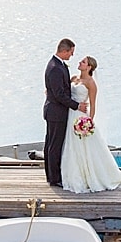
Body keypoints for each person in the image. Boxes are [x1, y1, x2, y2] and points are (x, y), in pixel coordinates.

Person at [60, 55, 121, 193]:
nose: (80, 62)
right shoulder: (73, 78)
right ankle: (72, 175)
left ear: (89, 67)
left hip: (80, 117)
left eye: (83, 62)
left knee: (83, 147)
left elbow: (93, 105)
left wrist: (88, 122)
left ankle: (93, 176)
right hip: (70, 114)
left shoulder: (91, 83)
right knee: (71, 146)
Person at [43, 38, 85, 186]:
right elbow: (60, 95)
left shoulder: (58, 65)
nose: (71, 56)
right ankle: (54, 179)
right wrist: (77, 106)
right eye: (71, 53)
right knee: (54, 145)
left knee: (51, 143)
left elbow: (59, 88)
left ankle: (51, 175)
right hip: (56, 112)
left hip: (55, 111)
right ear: (64, 51)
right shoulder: (55, 67)